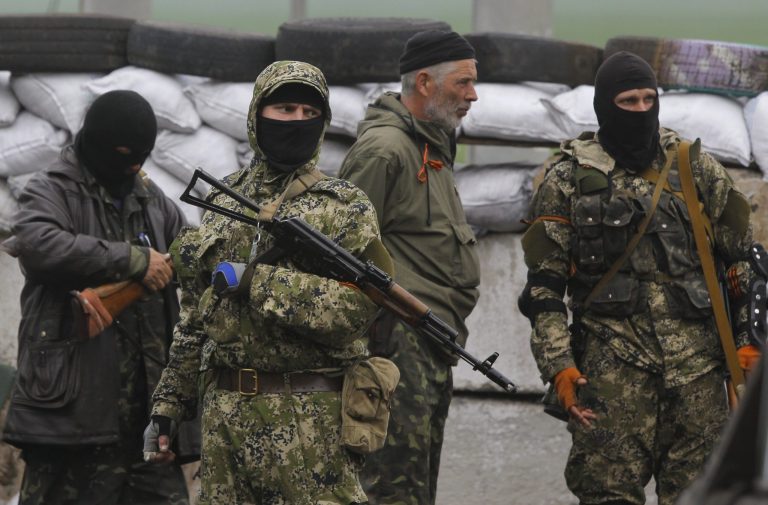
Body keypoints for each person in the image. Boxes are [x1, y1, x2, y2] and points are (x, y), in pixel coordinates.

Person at [520, 51, 763, 505]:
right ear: (605, 105)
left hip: (697, 374)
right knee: (606, 494)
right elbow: (543, 288)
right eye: (628, 101)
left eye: (648, 99)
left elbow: (744, 261)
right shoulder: (568, 178)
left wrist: (751, 342)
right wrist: (559, 366)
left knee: (701, 495)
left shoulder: (693, 166)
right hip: (611, 372)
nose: (640, 110)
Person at [145, 60, 388, 505]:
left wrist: (257, 282)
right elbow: (196, 317)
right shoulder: (222, 200)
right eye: (285, 109)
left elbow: (355, 311)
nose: (298, 121)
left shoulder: (344, 206)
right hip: (226, 421)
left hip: (309, 424)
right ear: (257, 115)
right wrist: (168, 406)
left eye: (310, 113)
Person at [1, 90, 194, 504]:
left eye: (142, 156)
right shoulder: (52, 189)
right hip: (72, 418)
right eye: (124, 155)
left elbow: (188, 251)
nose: (133, 166)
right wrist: (132, 260)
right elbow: (36, 243)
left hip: (147, 427)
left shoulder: (151, 199)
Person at [338, 30, 481, 505]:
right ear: (424, 82)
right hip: (396, 343)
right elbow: (342, 254)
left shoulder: (431, 146)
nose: (473, 95)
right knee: (392, 488)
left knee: (417, 486)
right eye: (463, 83)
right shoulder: (385, 151)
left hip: (431, 340)